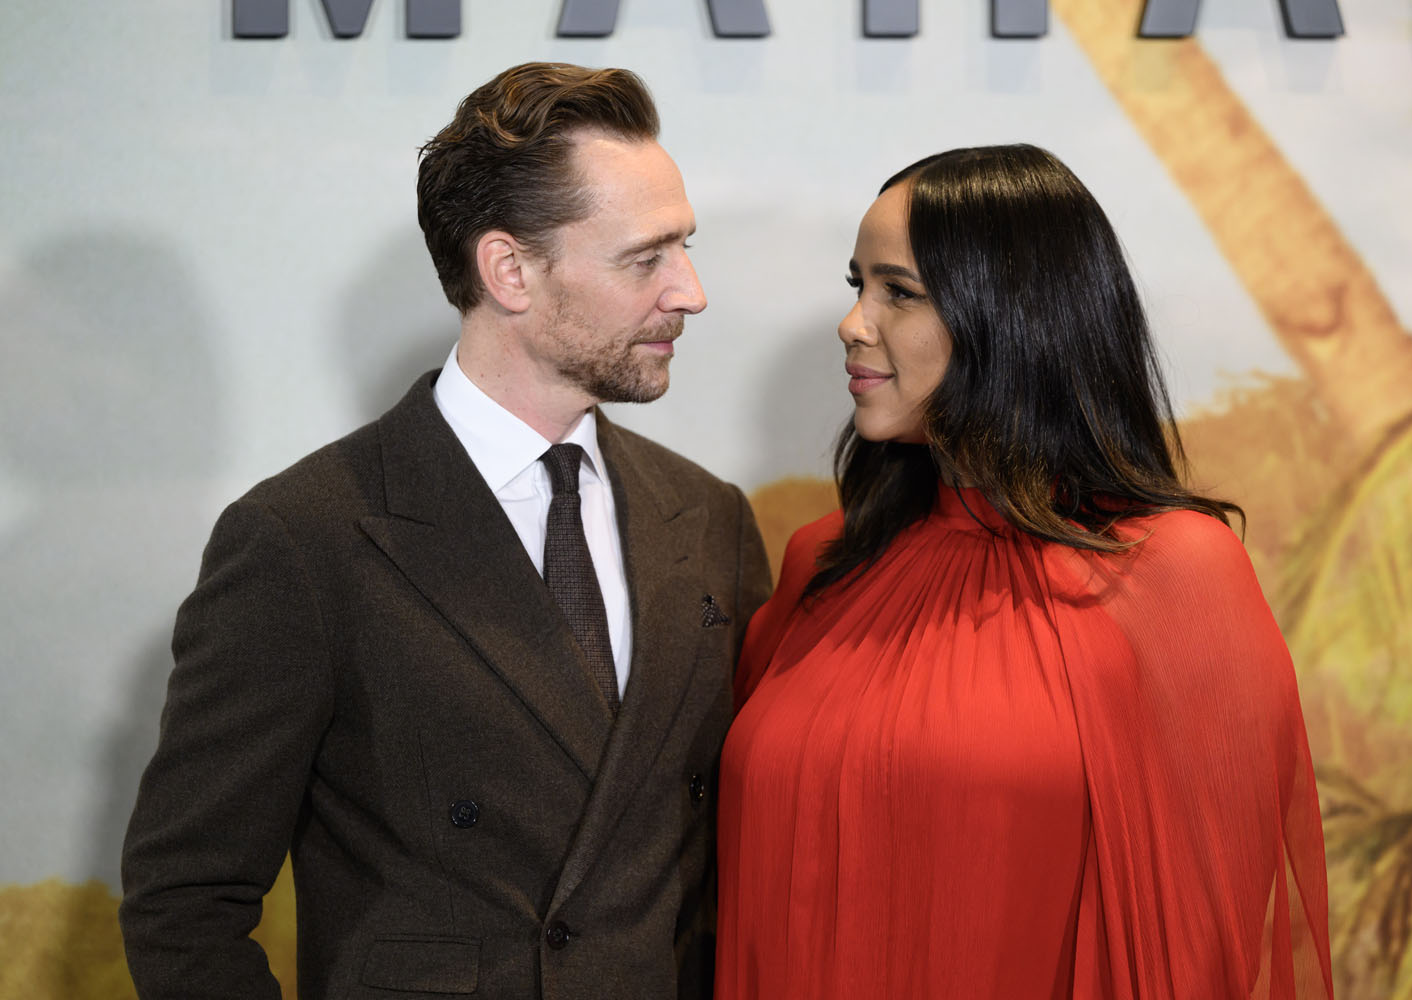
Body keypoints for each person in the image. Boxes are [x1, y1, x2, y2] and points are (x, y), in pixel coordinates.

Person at [120, 62, 771, 1000]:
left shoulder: (708, 518)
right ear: (510, 271)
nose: (691, 292)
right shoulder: (303, 538)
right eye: (646, 259)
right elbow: (184, 904)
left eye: (686, 248)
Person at [714, 144, 1334, 999]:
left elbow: (1196, 943)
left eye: (899, 291)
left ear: (1014, 315)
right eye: (857, 285)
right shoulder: (823, 561)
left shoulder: (1174, 571)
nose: (853, 323)